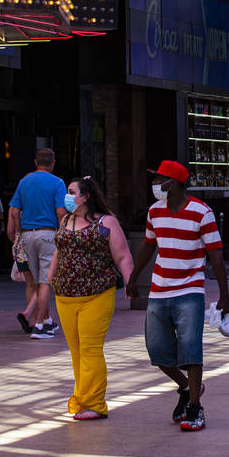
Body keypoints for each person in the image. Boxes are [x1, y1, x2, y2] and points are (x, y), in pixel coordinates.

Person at [127, 160, 229, 432]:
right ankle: (185, 387)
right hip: (160, 289)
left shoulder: (202, 212)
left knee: (190, 350)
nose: (154, 184)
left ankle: (195, 407)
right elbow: (149, 247)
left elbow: (216, 257)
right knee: (157, 351)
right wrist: (133, 276)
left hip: (190, 290)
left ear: (172, 183)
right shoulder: (154, 211)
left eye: (158, 179)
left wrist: (224, 296)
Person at [49, 176, 134, 420]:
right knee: (76, 351)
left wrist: (130, 282)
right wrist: (51, 275)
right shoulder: (66, 220)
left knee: (90, 349)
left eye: (71, 191)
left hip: (96, 294)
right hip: (64, 295)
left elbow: (122, 255)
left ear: (85, 197)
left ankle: (95, 403)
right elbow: (59, 249)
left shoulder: (106, 222)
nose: (67, 195)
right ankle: (81, 399)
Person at [7, 148, 68, 339]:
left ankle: (45, 321)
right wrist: (63, 233)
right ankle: (40, 326)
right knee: (45, 281)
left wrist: (20, 231)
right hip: (48, 234)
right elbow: (60, 212)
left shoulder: (24, 182)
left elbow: (15, 211)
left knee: (34, 281)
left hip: (27, 235)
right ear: (53, 163)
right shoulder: (57, 183)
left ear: (35, 162)